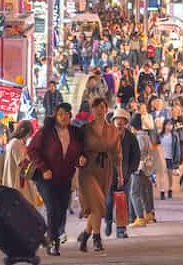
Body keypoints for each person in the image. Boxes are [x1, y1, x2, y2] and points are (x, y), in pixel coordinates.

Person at [26, 102, 83, 257]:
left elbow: (80, 152)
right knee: (52, 208)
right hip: (46, 178)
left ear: (71, 116)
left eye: (66, 114)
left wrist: (81, 159)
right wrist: (44, 168)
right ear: (55, 116)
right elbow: (31, 150)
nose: (64, 117)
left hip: (65, 177)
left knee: (62, 209)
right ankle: (53, 243)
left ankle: (50, 235)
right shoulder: (46, 132)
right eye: (60, 114)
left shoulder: (75, 133)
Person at [78, 96, 123, 252]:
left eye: (102, 107)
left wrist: (120, 175)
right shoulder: (85, 129)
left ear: (106, 109)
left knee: (95, 206)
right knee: (98, 203)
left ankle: (85, 235)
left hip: (105, 170)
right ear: (92, 110)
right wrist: (79, 157)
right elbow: (76, 148)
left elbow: (117, 154)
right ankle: (97, 238)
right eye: (96, 107)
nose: (99, 110)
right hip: (88, 169)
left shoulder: (112, 130)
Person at [107, 110, 140, 239]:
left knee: (122, 202)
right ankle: (108, 221)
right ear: (113, 121)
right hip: (109, 174)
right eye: (117, 119)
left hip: (125, 175)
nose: (119, 122)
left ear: (126, 122)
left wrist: (131, 170)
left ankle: (121, 229)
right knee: (109, 201)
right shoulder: (108, 135)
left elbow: (136, 155)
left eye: (122, 120)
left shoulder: (131, 137)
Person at [3, 120, 40, 206]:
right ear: (23, 131)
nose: (28, 137)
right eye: (29, 134)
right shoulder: (17, 143)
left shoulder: (13, 142)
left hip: (16, 180)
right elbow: (23, 163)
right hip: (18, 181)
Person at [159, 118, 180, 200]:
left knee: (170, 175)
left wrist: (177, 161)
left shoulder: (174, 135)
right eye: (167, 124)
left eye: (170, 125)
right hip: (162, 158)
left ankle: (170, 189)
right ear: (164, 125)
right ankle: (162, 191)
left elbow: (177, 148)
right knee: (162, 175)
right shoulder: (160, 135)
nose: (169, 126)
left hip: (170, 158)